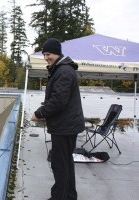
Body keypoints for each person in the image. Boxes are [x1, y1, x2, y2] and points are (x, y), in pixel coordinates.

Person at [31, 38, 85, 200]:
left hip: (64, 126)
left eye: (48, 54)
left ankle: (59, 197)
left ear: (57, 53)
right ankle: (69, 196)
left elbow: (58, 101)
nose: (46, 57)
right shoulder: (61, 69)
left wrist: (39, 113)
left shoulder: (63, 71)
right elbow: (59, 98)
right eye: (44, 54)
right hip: (66, 125)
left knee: (60, 164)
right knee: (66, 163)